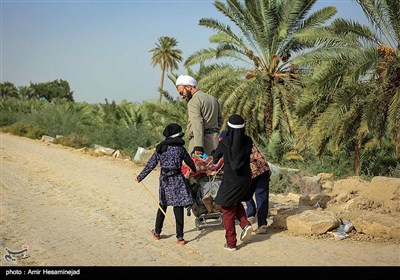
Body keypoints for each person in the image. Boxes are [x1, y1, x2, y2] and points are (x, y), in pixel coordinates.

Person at [136, 123, 196, 245]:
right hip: (178, 178)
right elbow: (189, 161)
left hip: (165, 180)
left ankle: (157, 233)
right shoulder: (181, 149)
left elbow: (151, 164)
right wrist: (195, 170)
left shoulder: (160, 148)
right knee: (178, 206)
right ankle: (180, 237)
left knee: (162, 205)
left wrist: (140, 177)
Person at [212, 114, 254, 252]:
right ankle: (245, 223)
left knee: (227, 209)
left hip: (231, 180)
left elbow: (216, 157)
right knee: (235, 202)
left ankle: (231, 243)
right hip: (246, 179)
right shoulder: (248, 141)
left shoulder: (225, 141)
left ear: (229, 127)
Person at [175, 74, 223, 157]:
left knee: (197, 169)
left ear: (189, 87)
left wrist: (198, 146)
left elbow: (197, 123)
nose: (182, 96)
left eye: (181, 93)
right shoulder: (213, 99)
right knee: (214, 169)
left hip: (200, 145)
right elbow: (220, 121)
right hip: (215, 143)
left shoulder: (193, 102)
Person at [246, 145, 271, 234]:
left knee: (246, 193)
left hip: (254, 171)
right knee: (262, 196)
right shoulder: (247, 141)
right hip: (263, 169)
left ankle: (252, 215)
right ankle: (262, 224)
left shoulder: (233, 145)